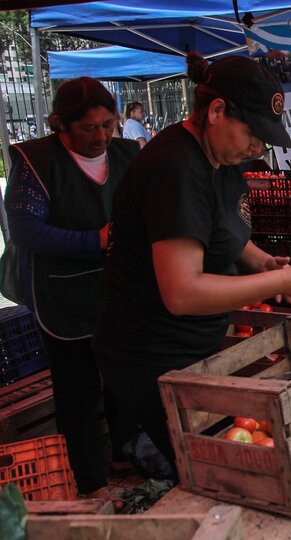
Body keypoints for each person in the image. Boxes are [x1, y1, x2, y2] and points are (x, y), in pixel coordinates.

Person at [93, 53, 291, 474]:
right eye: (254, 133)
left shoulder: (220, 160)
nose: (260, 147)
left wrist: (262, 262)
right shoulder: (176, 169)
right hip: (152, 355)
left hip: (194, 347)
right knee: (215, 470)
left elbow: (224, 232)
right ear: (217, 111)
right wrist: (283, 283)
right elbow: (183, 292)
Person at [4, 77, 140, 496]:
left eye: (108, 125)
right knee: (77, 391)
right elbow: (26, 231)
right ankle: (89, 481)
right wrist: (94, 241)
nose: (101, 136)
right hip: (61, 296)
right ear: (59, 124)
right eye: (89, 128)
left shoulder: (126, 154)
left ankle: (126, 456)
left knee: (123, 380)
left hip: (118, 289)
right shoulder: (37, 162)